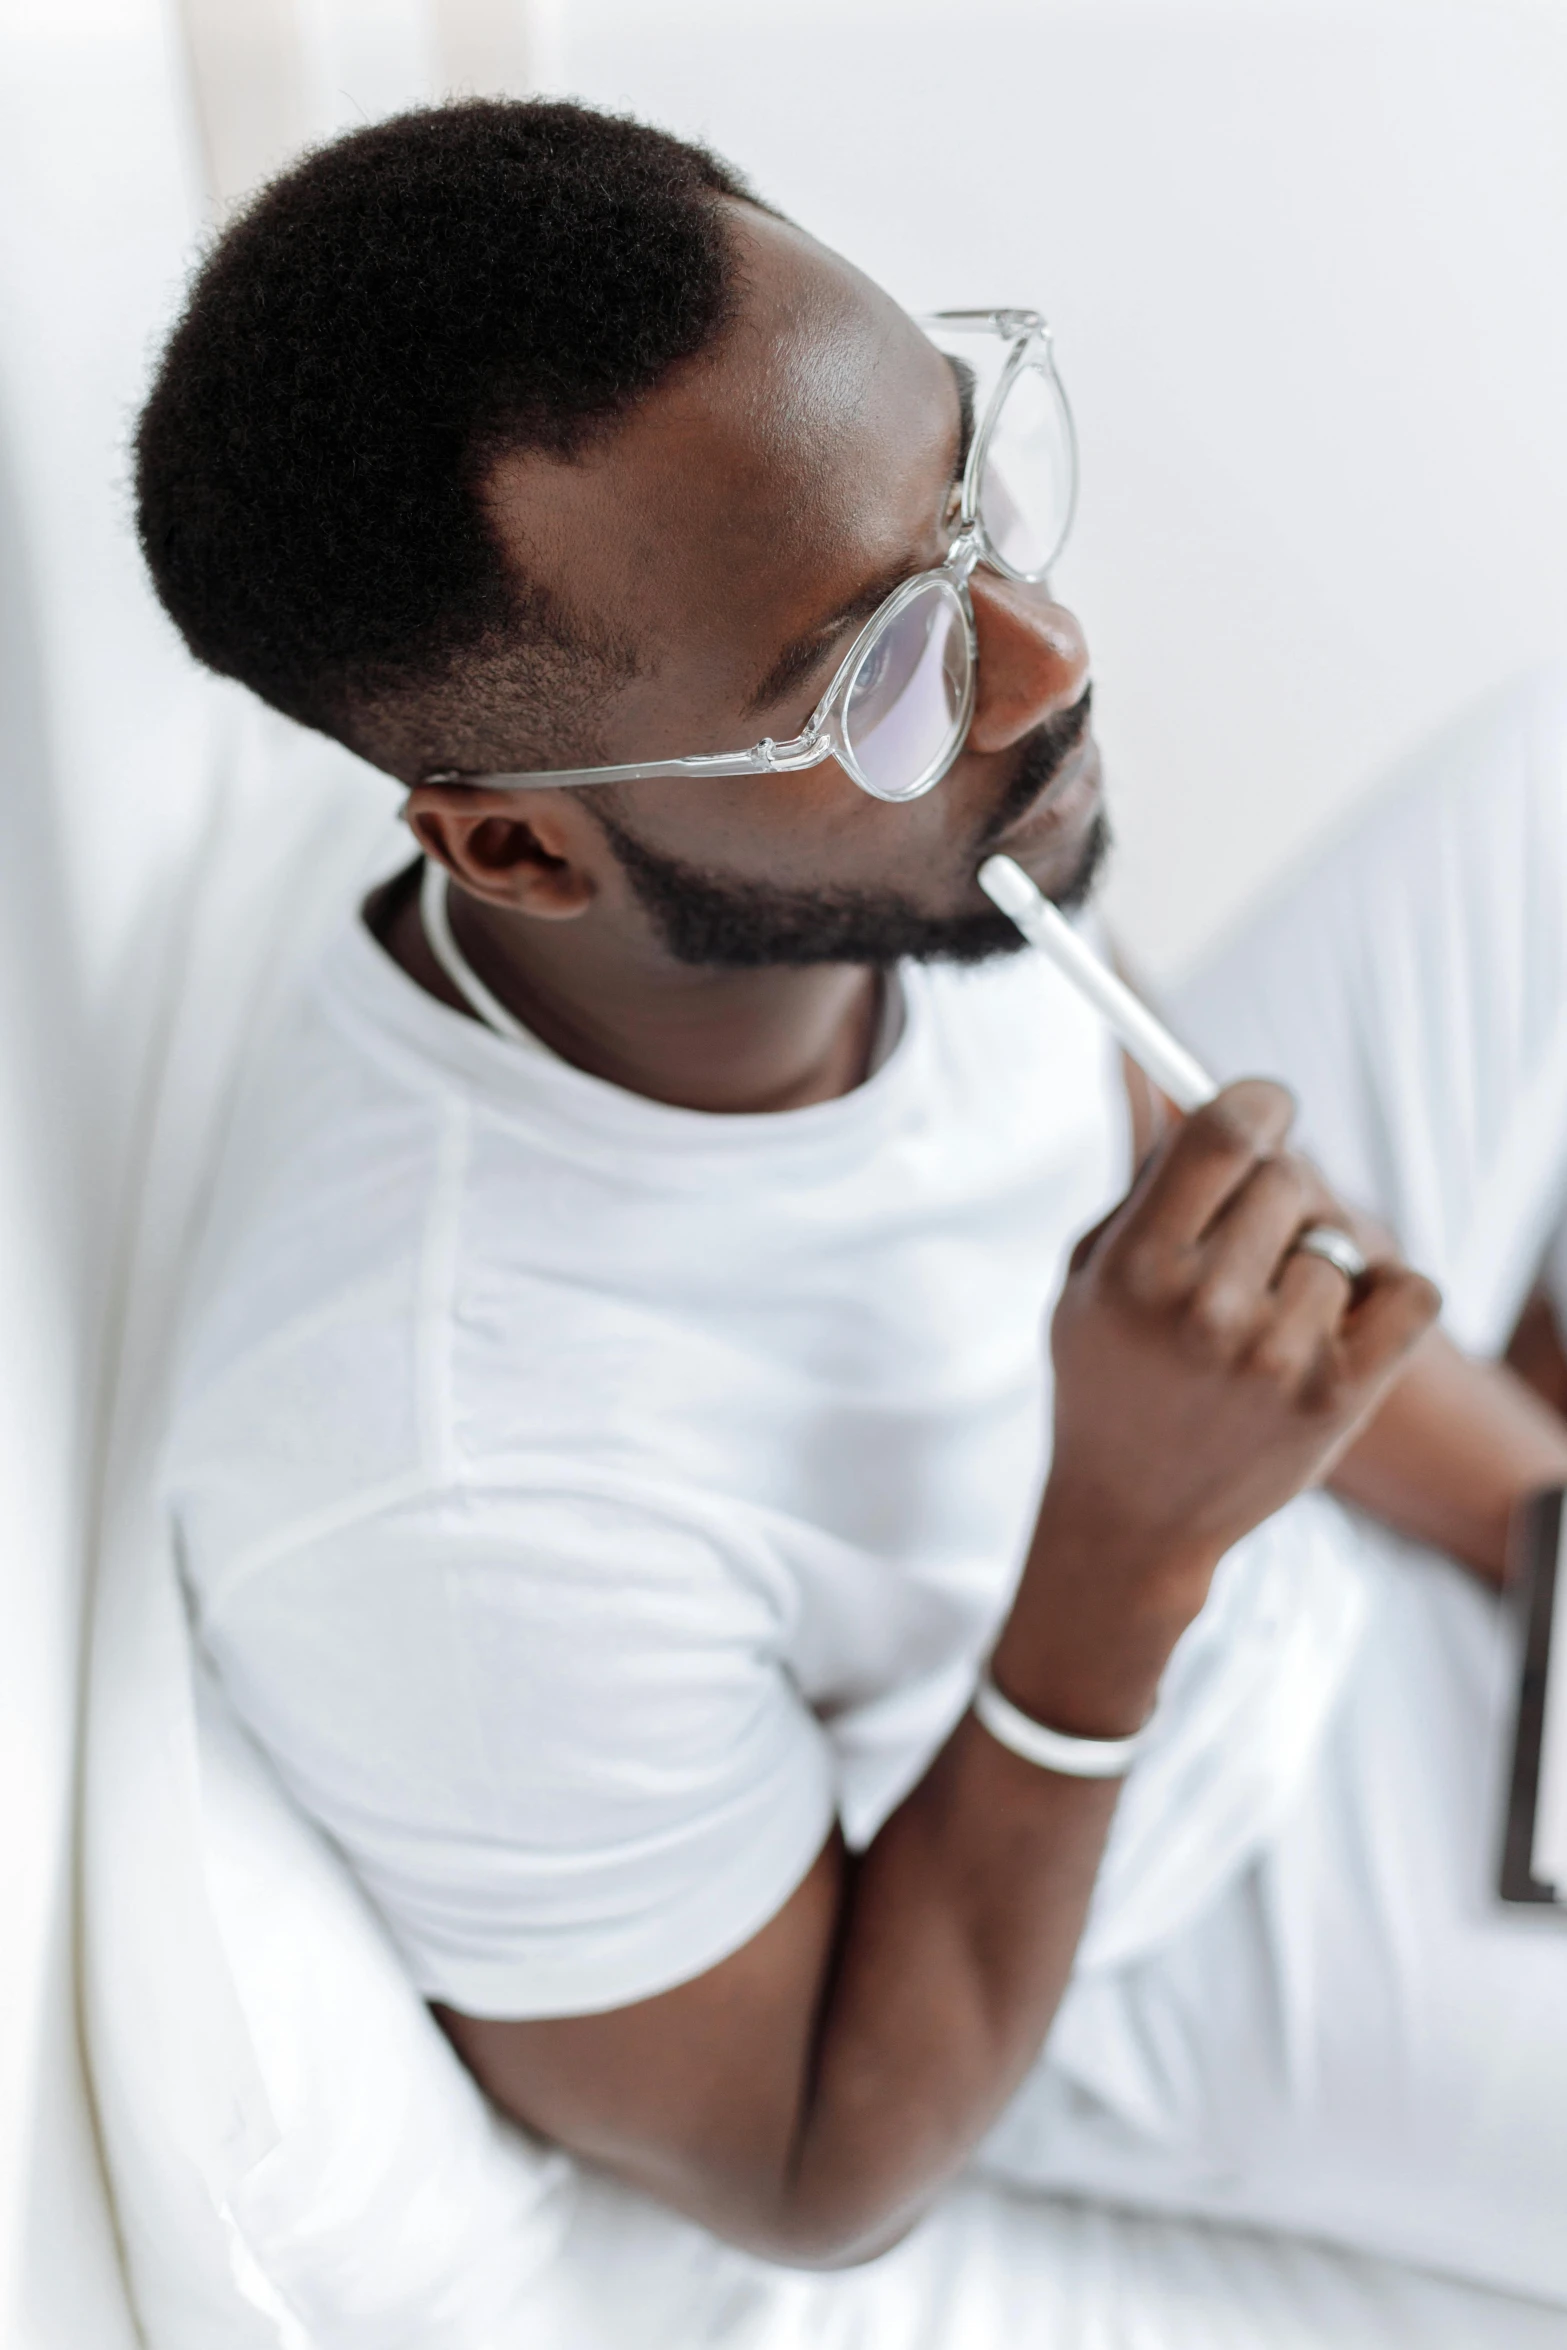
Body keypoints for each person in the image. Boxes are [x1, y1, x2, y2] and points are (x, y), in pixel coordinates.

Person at [141, 99, 1567, 2298]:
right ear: (521, 849)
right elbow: (811, 2159)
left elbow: (1183, 1159)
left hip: (1252, 1498)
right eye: (873, 666)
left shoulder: (899, 849)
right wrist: (1126, 1541)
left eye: (970, 489)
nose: (1048, 651)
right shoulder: (427, 1465)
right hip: (1187, 1884)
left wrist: (1533, 1525)